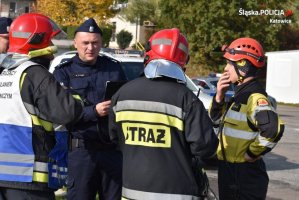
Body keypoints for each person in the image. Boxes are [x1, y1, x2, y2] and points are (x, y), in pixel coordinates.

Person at [109, 28, 218, 200]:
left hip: (131, 192)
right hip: (177, 193)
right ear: (184, 61)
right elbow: (205, 148)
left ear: (147, 56)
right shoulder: (187, 99)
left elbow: (115, 139)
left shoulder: (122, 94)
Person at [0, 13, 82, 200]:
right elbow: (68, 113)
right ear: (37, 40)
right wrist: (74, 99)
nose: (52, 51)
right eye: (49, 40)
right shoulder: (36, 74)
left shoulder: (4, 72)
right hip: (28, 178)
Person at [53, 18, 126, 200]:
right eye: (85, 43)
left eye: (95, 43)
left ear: (101, 44)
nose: (90, 48)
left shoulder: (114, 68)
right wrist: (93, 112)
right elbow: (61, 112)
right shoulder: (64, 72)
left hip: (112, 151)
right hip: (82, 152)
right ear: (75, 43)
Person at [208, 37, 285, 200]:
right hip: (230, 172)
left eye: (230, 63)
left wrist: (251, 153)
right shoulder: (239, 96)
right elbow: (215, 121)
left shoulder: (254, 98)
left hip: (244, 176)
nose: (226, 68)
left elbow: (272, 129)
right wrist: (219, 98)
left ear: (243, 66)